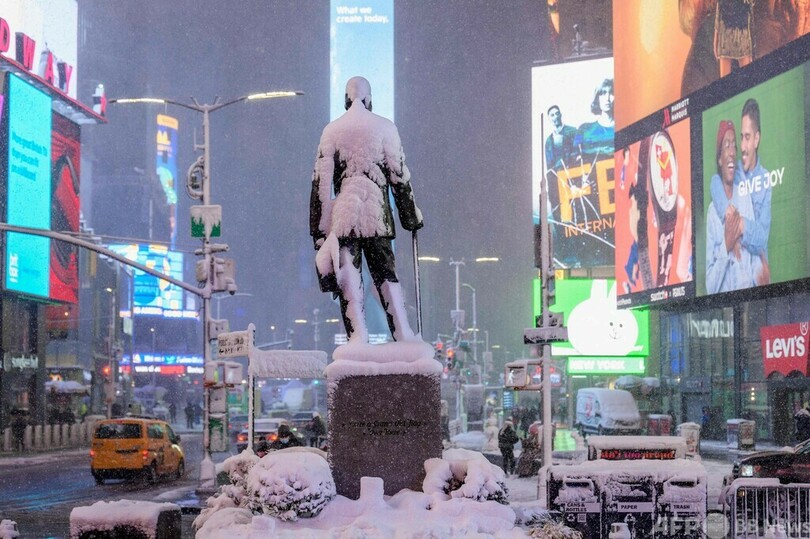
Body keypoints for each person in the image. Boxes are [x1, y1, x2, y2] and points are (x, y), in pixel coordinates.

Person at [310, 76, 424, 343]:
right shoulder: (386, 129)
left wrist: (319, 230)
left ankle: (357, 339)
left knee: (349, 278)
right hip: (377, 218)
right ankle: (402, 334)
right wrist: (410, 217)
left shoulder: (332, 132)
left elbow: (320, 186)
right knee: (386, 277)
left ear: (345, 100)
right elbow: (399, 177)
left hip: (345, 219)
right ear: (369, 100)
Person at [709, 98, 771, 277]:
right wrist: (728, 213)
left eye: (748, 137)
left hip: (757, 277)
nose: (742, 146)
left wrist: (739, 225)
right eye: (741, 138)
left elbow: (761, 238)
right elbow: (714, 181)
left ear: (757, 139)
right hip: (734, 272)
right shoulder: (734, 170)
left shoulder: (766, 179)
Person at [714, 0, 754, 77]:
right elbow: (719, 7)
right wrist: (716, 35)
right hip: (727, 33)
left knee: (746, 79)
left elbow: (750, 11)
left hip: (742, 32)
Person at [544, 105, 577, 170]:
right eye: (552, 115)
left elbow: (580, 151)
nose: (555, 117)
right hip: (558, 177)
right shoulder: (548, 141)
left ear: (560, 115)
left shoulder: (574, 131)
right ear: (549, 118)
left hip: (573, 173)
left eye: (557, 114)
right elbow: (549, 166)